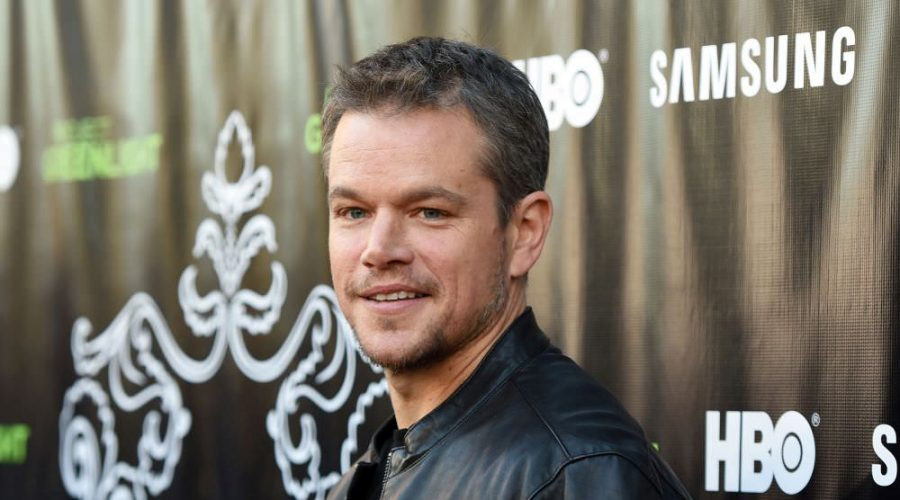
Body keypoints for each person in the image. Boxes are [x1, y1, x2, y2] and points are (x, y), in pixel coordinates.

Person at [322, 36, 690, 499]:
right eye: (354, 212)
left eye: (429, 212)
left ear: (524, 233)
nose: (379, 249)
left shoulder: (578, 475)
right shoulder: (377, 469)